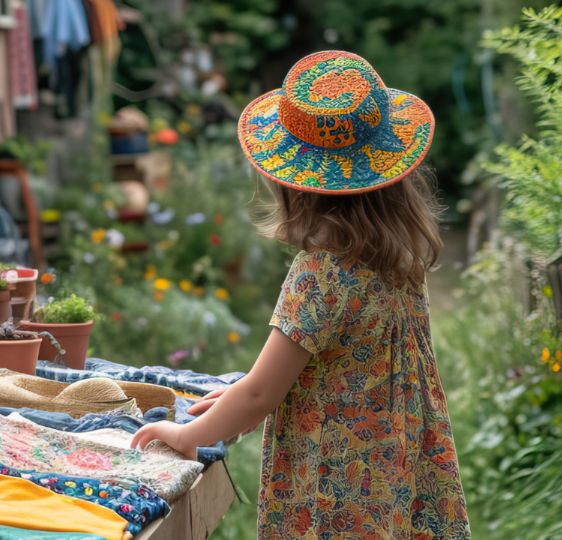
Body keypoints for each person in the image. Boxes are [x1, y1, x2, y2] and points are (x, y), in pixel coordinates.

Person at [131, 50, 471, 539]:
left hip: (338, 489)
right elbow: (329, 366)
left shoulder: (320, 275)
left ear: (296, 182)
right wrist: (246, 392)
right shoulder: (400, 259)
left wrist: (187, 435)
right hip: (397, 468)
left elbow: (260, 393)